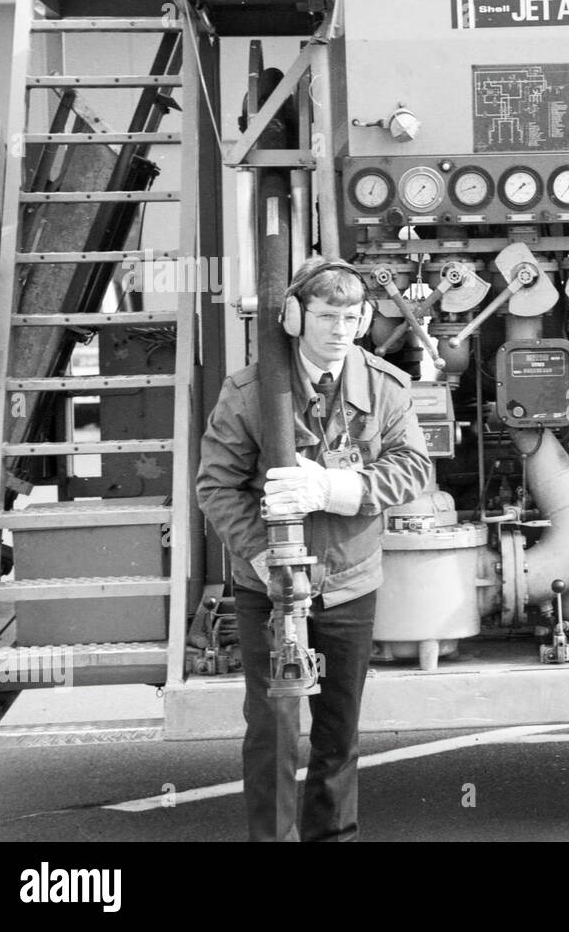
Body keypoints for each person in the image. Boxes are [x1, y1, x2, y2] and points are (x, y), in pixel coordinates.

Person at [196, 256, 431, 841]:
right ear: (296, 318)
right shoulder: (249, 394)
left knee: (339, 731)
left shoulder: (384, 387)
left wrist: (335, 487)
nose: (340, 330)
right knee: (273, 728)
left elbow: (413, 468)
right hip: (270, 588)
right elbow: (216, 486)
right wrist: (259, 556)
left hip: (350, 580)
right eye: (326, 315)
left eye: (352, 316)